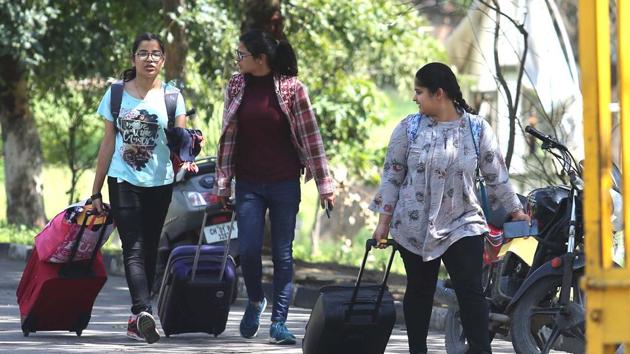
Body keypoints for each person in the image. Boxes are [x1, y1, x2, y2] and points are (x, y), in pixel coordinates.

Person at [369, 62, 529, 354]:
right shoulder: (408, 128)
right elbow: (392, 176)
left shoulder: (476, 128)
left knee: (470, 292)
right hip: (413, 225)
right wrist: (383, 223)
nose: (415, 98)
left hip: (462, 222)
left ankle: (481, 350)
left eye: (419, 92)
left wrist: (515, 209)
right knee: (419, 291)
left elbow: (496, 175)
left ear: (438, 93)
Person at [214, 29, 335, 345]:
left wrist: (325, 185)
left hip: (283, 182)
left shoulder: (292, 89)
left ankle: (278, 323)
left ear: (260, 59)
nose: (237, 59)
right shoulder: (237, 85)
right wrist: (223, 183)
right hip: (249, 183)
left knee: (283, 255)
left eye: (241, 54)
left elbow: (311, 137)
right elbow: (228, 136)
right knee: (250, 250)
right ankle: (256, 300)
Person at [90, 32, 187, 344]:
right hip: (123, 179)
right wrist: (95, 192)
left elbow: (182, 144)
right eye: (143, 53)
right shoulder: (116, 94)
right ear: (133, 58)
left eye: (156, 53)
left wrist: (188, 159)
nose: (150, 59)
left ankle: (137, 320)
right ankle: (144, 309)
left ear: (163, 59)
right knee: (132, 245)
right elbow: (107, 145)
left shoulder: (173, 97)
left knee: (149, 247)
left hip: (159, 181)